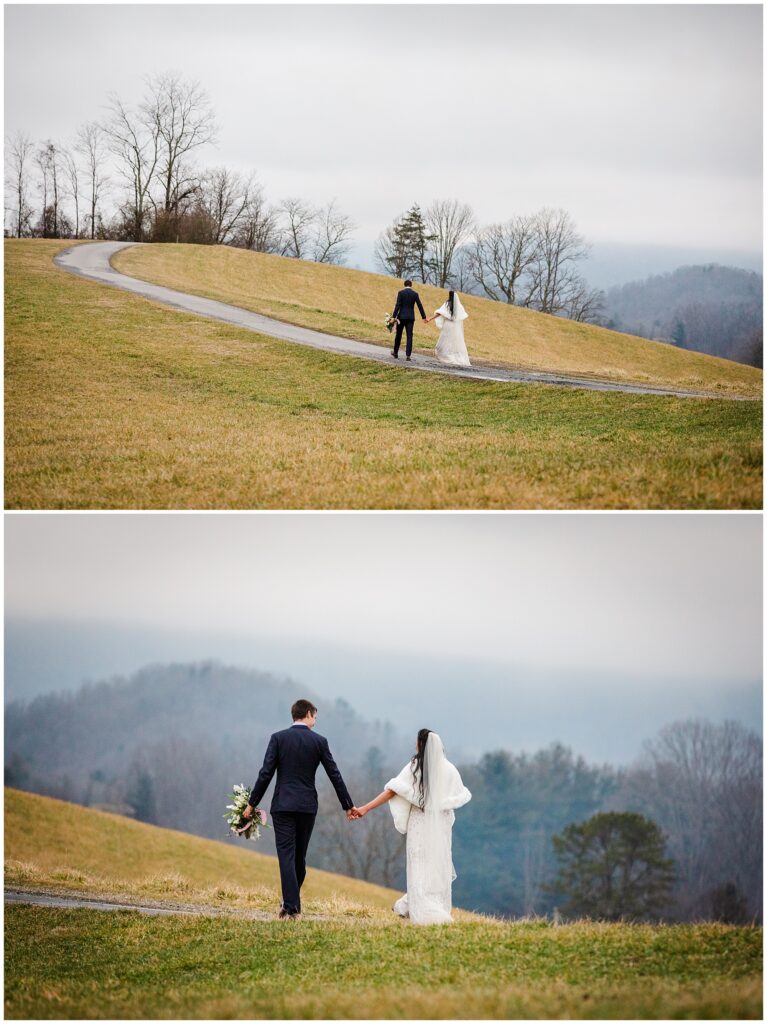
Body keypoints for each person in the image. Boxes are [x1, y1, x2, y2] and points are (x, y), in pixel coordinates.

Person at [244, 699, 355, 920]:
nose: (315, 720)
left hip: (283, 805)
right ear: (307, 714)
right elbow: (335, 774)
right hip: (306, 807)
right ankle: (292, 908)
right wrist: (347, 805)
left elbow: (266, 773)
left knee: (289, 857)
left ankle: (290, 905)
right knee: (298, 858)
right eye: (315, 715)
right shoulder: (319, 742)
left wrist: (252, 803)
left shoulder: (278, 739)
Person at [351, 729, 471, 925]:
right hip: (441, 825)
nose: (414, 745)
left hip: (419, 822)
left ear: (421, 745)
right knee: (437, 863)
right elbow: (457, 797)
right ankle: (432, 907)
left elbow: (393, 790)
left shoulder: (415, 766)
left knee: (418, 864)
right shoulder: (449, 769)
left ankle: (419, 908)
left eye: (416, 742)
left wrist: (365, 808)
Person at [425, 290, 471, 367]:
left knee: (445, 340)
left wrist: (430, 318)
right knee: (453, 341)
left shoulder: (447, 304)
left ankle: (444, 355)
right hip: (455, 326)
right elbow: (462, 316)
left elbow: (439, 313)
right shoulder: (459, 306)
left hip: (448, 325)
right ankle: (452, 354)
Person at [391, 279, 427, 361]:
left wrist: (393, 317)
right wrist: (424, 317)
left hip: (401, 317)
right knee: (409, 336)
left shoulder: (401, 293)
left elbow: (397, 305)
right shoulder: (415, 294)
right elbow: (419, 305)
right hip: (410, 318)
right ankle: (408, 355)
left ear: (404, 285)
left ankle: (395, 352)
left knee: (398, 335)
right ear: (411, 285)